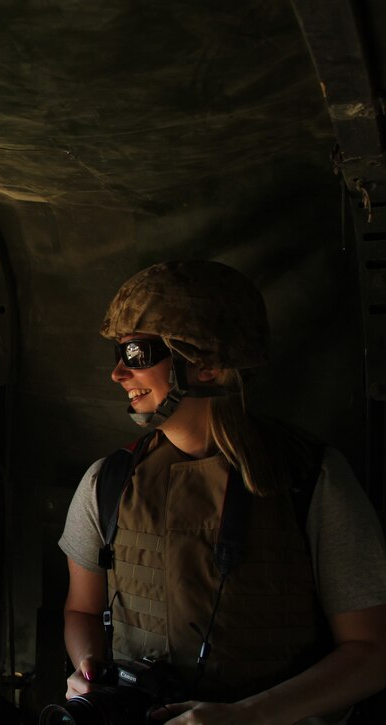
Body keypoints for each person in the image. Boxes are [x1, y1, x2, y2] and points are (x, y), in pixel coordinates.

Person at [56, 260, 386, 723]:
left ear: (206, 364)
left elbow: (371, 652)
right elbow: (82, 611)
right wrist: (87, 669)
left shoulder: (313, 480)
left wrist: (250, 715)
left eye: (136, 354)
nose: (118, 374)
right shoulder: (107, 482)